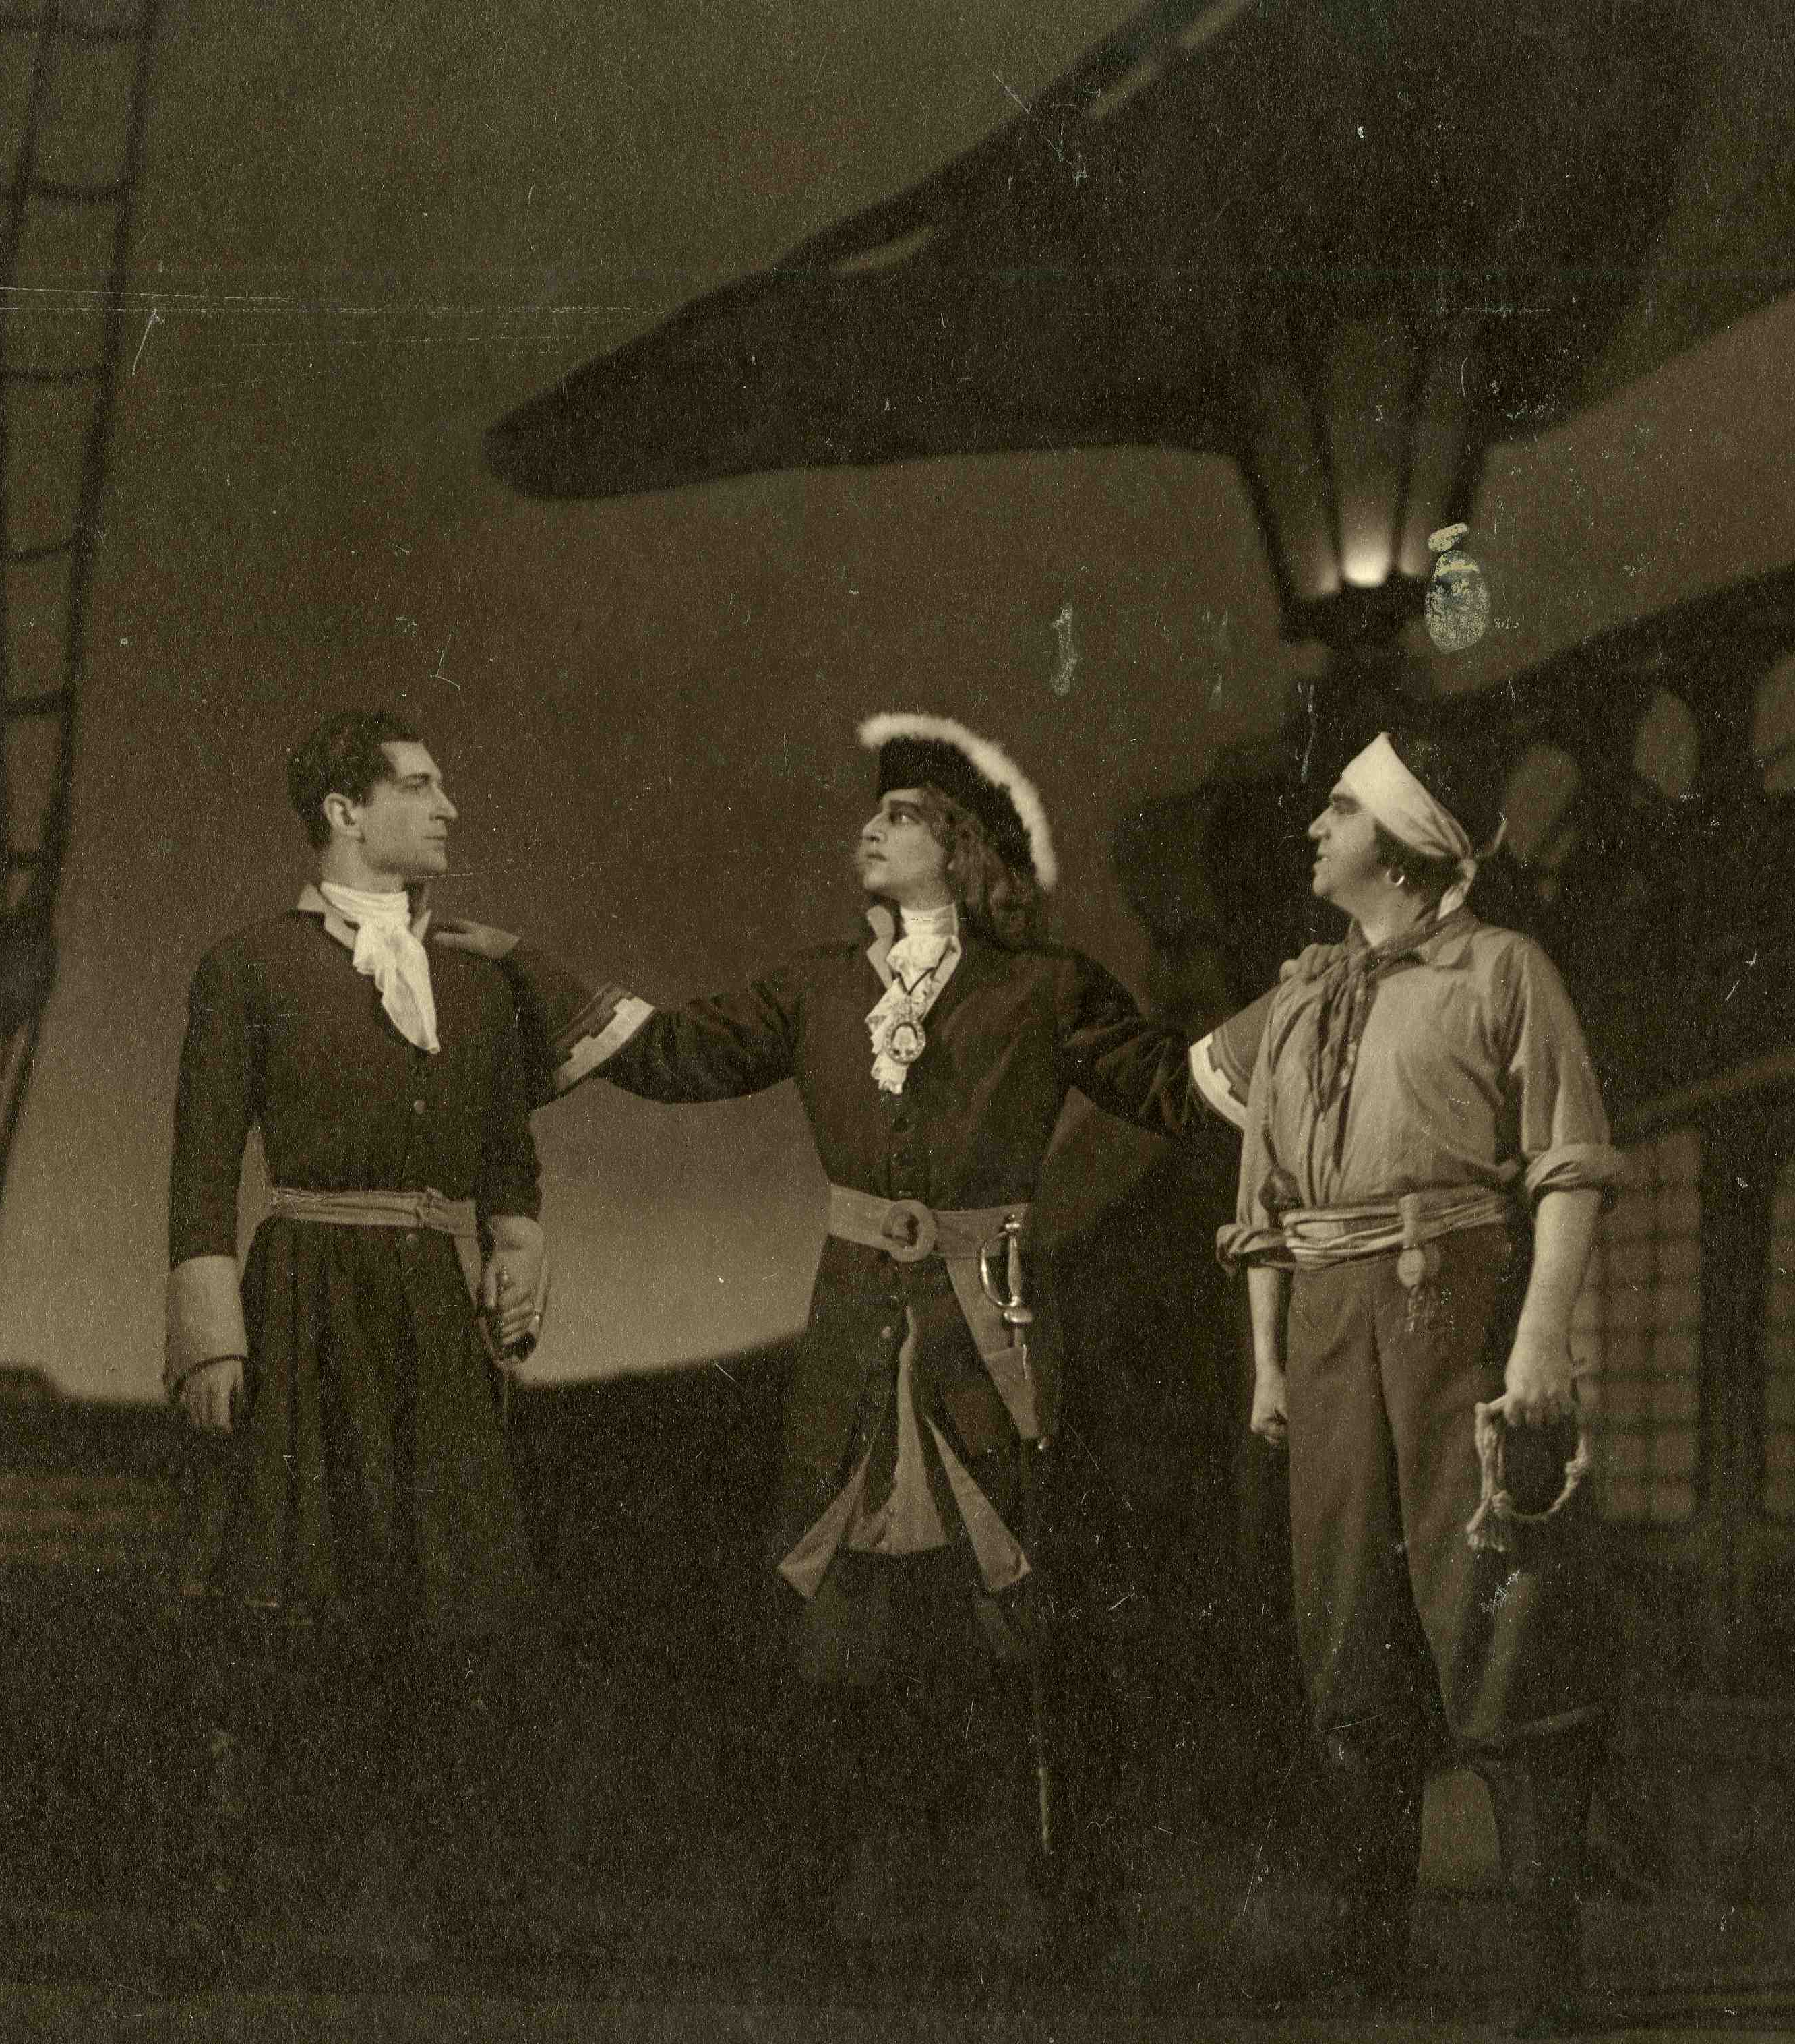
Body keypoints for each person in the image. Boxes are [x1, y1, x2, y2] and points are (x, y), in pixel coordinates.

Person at [435, 711, 1257, 1979]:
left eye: (904, 815)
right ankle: (800, 1916)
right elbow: (675, 1054)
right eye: (873, 813)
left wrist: (1293, 1019)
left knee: (1031, 1603)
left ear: (964, 850)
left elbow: (1169, 1088)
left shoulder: (1048, 988)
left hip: (994, 1331)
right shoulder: (817, 987)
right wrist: (521, 963)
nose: (871, 829)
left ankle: (1078, 1914)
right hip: (856, 1331)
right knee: (823, 1598)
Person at [1220, 726, 1622, 2034]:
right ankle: (1364, 1955)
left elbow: (1566, 1163)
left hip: (1454, 1305)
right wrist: (1270, 1367)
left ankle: (1544, 1980)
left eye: (1340, 808)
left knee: (1497, 1618)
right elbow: (1263, 1211)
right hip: (1329, 1327)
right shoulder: (1301, 999)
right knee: (1347, 1632)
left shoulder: (1502, 969)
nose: (1315, 827)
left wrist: (1540, 1337)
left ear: (1399, 849)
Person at [161, 708, 552, 1976]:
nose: (447, 808)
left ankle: (471, 1912)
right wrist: (211, 1339)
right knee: (284, 1601)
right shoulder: (247, 968)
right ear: (344, 812)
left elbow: (507, 1155)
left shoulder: (478, 980)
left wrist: (515, 1253)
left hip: (432, 1314)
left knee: (455, 1605)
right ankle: (243, 1910)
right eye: (420, 787)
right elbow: (200, 1169)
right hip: (303, 1303)